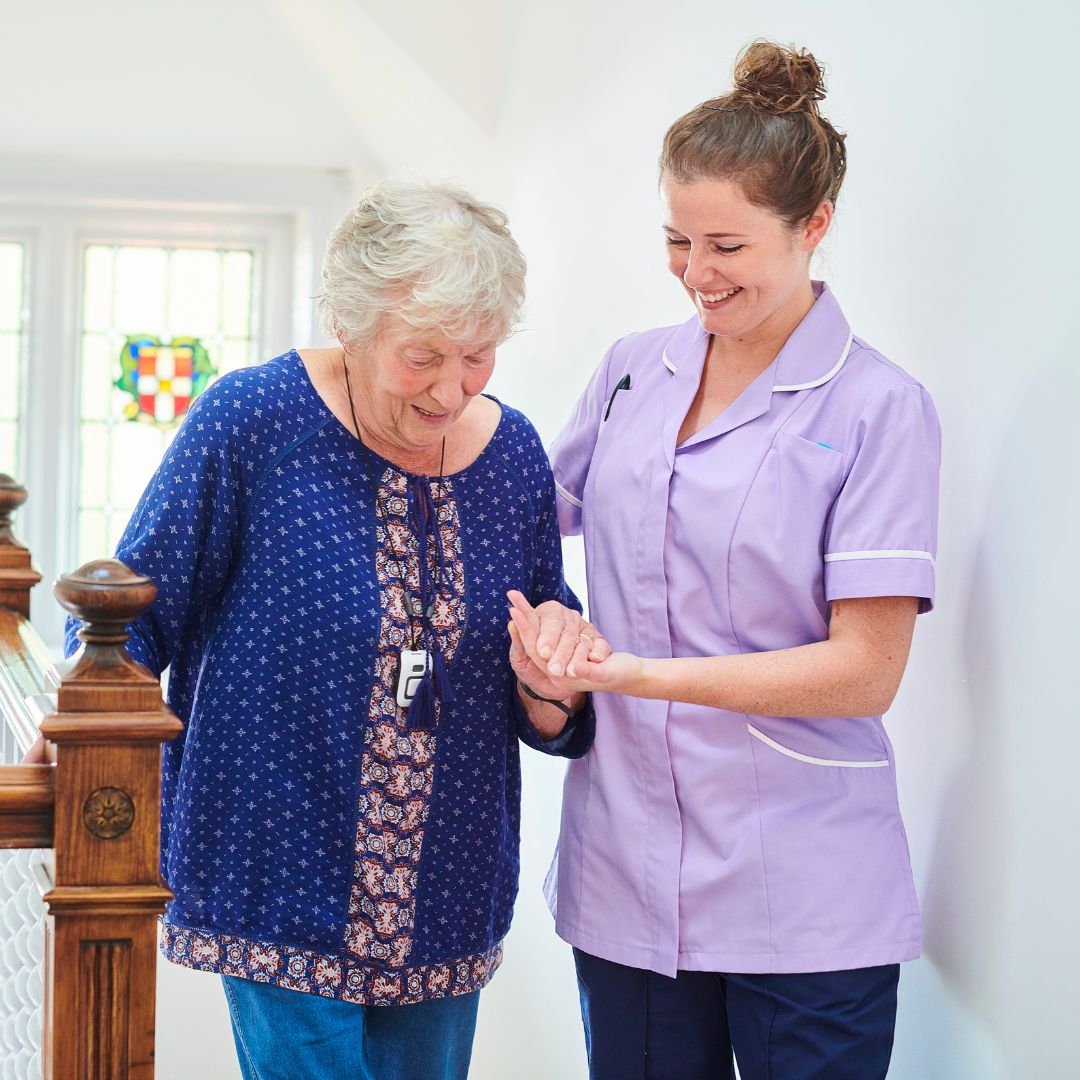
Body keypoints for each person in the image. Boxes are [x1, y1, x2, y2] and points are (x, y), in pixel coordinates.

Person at [61, 178, 602, 1080]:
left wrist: (552, 679)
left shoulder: (512, 455)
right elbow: (133, 620)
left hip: (447, 884)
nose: (451, 388)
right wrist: (72, 754)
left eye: (478, 355)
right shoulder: (253, 421)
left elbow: (546, 662)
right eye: (422, 355)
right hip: (274, 864)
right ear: (351, 324)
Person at [507, 41, 941, 1080]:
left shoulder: (878, 408)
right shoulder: (630, 374)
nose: (697, 274)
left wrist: (633, 676)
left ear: (814, 228)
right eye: (677, 241)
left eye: (728, 247)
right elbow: (521, 521)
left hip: (805, 891)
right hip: (626, 873)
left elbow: (865, 671)